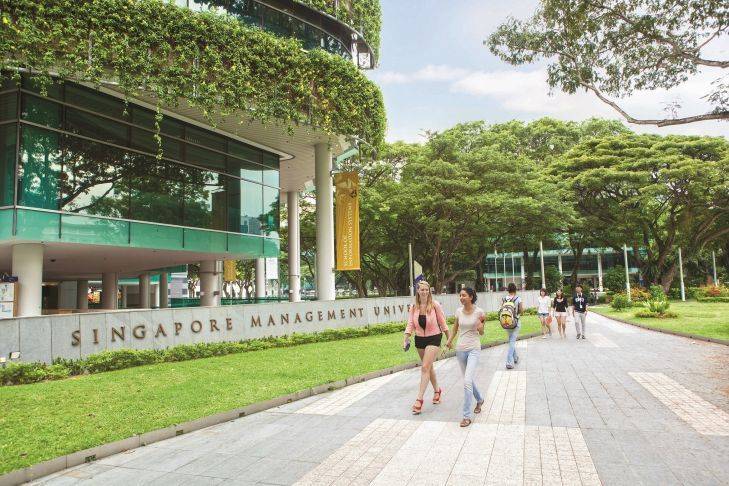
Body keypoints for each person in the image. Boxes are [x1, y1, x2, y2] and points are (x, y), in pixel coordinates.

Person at [403, 280, 451, 414]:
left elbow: (443, 322)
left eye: (426, 289)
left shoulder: (435, 305)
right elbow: (410, 324)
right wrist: (405, 338)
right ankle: (437, 391)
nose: (424, 292)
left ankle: (419, 400)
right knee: (429, 367)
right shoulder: (413, 307)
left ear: (429, 291)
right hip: (419, 339)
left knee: (425, 367)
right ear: (417, 291)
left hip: (434, 337)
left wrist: (449, 339)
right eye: (422, 289)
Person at [446, 287, 485, 427]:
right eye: (460, 295)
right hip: (460, 350)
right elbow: (455, 329)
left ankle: (466, 416)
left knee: (467, 381)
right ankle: (479, 400)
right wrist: (449, 340)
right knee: (468, 381)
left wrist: (480, 326)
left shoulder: (479, 312)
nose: (461, 298)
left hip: (474, 348)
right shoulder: (458, 311)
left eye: (464, 295)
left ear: (471, 297)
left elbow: (482, 333)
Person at [502, 283, 523, 369]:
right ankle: (509, 362)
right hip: (515, 322)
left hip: (506, 322)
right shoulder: (518, 298)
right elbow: (521, 310)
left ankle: (515, 358)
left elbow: (502, 309)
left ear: (508, 290)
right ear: (515, 289)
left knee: (511, 340)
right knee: (512, 341)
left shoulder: (504, 299)